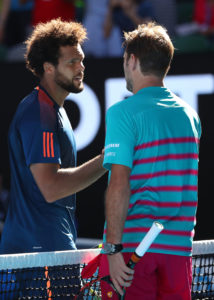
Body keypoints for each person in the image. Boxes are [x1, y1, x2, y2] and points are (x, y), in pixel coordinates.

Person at [99, 22, 201, 299]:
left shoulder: (122, 112)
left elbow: (119, 183)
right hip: (179, 255)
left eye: (124, 60)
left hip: (132, 254)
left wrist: (113, 249)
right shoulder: (190, 116)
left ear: (132, 60)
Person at [0, 18, 106, 256]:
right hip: (41, 250)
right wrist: (106, 160)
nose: (81, 67)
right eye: (72, 62)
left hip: (42, 248)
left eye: (81, 60)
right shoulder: (40, 112)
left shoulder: (52, 110)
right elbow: (51, 187)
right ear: (49, 67)